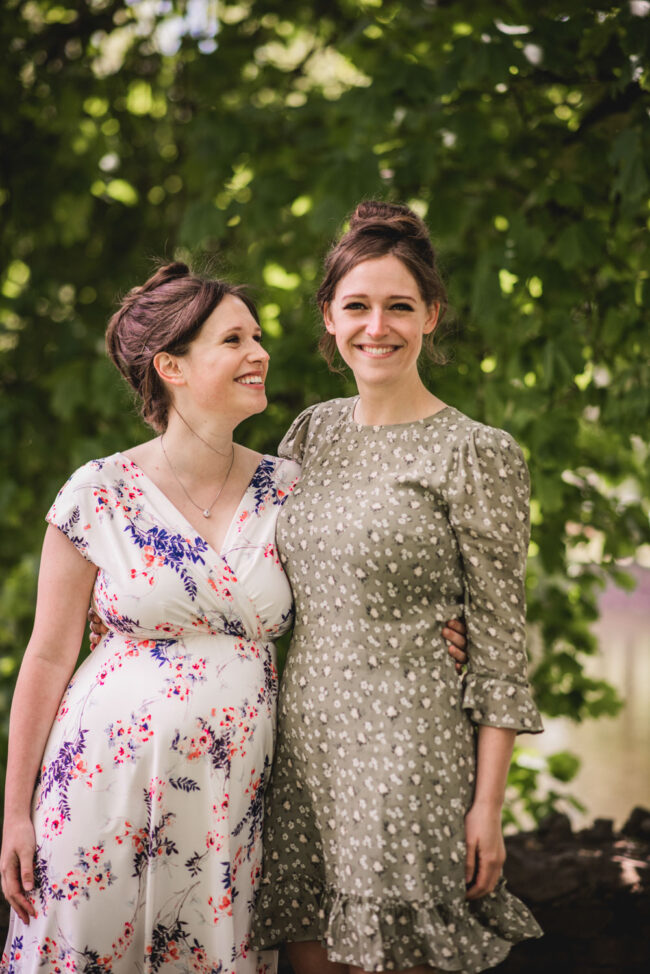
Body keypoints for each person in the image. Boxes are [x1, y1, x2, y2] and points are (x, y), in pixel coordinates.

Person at [0, 260, 468, 974]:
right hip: (101, 786)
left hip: (231, 800)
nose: (260, 354)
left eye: (257, 337)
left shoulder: (292, 489)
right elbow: (46, 655)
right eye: (234, 341)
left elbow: (357, 607)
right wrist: (15, 812)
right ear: (172, 367)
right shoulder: (98, 492)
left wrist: (435, 631)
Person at [250, 201, 544, 974]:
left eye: (399, 307)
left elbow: (502, 644)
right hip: (304, 755)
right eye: (357, 306)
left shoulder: (477, 452)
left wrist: (488, 807)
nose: (376, 327)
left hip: (409, 749)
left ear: (432, 316)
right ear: (329, 315)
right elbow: (255, 577)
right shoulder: (311, 433)